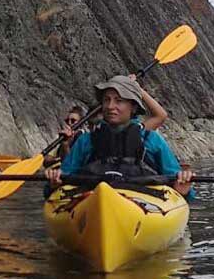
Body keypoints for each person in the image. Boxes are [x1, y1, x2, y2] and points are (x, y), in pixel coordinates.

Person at [45, 76, 194, 197]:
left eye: (119, 101)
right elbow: (62, 179)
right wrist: (54, 182)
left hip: (143, 201)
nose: (110, 106)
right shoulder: (86, 141)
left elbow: (179, 182)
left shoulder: (151, 140)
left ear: (133, 107)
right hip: (93, 198)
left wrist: (183, 189)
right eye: (106, 100)